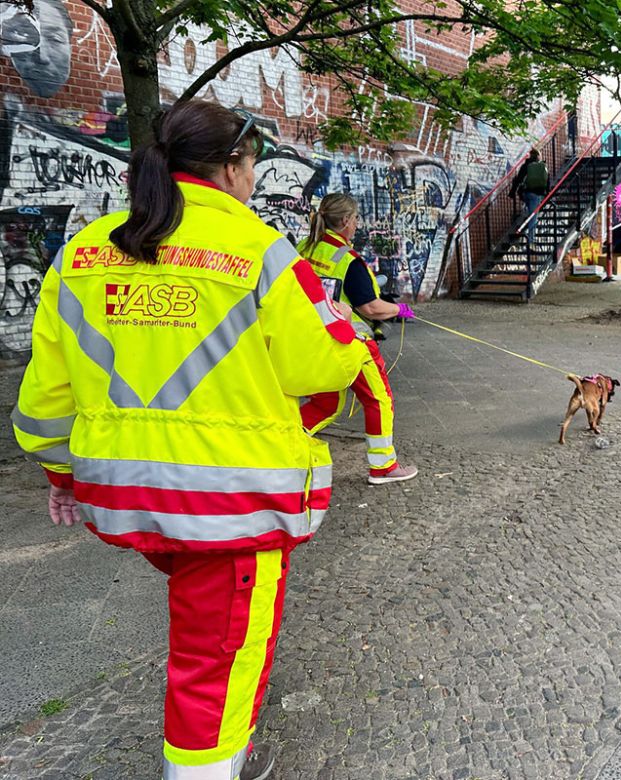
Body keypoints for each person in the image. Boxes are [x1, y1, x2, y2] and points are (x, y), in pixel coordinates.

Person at [10, 100, 370, 780]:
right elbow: (320, 366)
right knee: (222, 655)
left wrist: (60, 473)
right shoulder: (260, 251)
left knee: (208, 638)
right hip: (229, 499)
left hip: (122, 494)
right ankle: (210, 767)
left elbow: (45, 395)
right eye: (255, 164)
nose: (257, 178)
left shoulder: (82, 250)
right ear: (232, 167)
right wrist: (346, 329)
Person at [298, 193, 419, 485]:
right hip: (350, 342)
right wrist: (399, 309)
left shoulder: (305, 248)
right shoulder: (347, 260)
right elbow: (370, 308)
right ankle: (384, 466)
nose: (357, 225)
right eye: (355, 220)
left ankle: (280, 442)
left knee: (325, 401)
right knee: (378, 398)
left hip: (311, 336)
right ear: (345, 222)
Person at [510, 149, 549, 244]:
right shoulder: (542, 167)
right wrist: (547, 194)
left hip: (525, 194)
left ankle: (524, 222)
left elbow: (518, 179)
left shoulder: (525, 166)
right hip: (536, 194)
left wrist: (512, 192)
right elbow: (547, 181)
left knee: (529, 212)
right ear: (538, 156)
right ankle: (531, 240)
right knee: (533, 216)